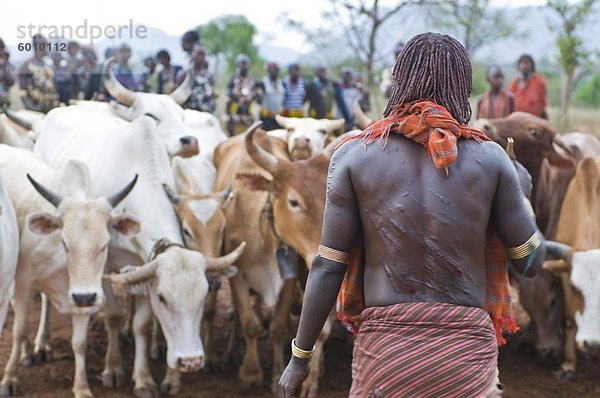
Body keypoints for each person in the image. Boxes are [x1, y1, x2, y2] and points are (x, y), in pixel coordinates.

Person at [278, 32, 545, 398]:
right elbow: (529, 261)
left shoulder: (354, 156)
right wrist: (523, 193)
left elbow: (327, 267)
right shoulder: (491, 159)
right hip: (464, 358)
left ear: (399, 81)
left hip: (387, 355)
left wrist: (300, 357)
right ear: (462, 87)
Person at [18, 34, 58, 112]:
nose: (47, 48)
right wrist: (32, 108)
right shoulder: (26, 66)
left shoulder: (50, 65)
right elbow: (22, 92)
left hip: (52, 109)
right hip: (35, 109)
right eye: (45, 45)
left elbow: (55, 87)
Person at [508, 54, 547, 119]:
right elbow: (509, 101)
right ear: (519, 65)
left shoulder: (540, 82)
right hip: (517, 119)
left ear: (532, 65)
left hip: (534, 119)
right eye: (522, 63)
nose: (524, 66)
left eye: (527, 63)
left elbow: (543, 103)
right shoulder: (514, 83)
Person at [179, 44, 216, 113]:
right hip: (190, 116)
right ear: (192, 54)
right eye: (197, 54)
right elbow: (180, 97)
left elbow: (212, 95)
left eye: (202, 55)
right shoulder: (184, 74)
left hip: (206, 116)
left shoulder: (209, 76)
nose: (200, 58)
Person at [225, 53, 256, 135]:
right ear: (237, 65)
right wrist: (234, 92)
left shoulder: (251, 81)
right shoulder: (233, 79)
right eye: (242, 63)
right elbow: (228, 95)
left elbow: (254, 96)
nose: (244, 66)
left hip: (247, 116)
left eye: (246, 64)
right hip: (234, 115)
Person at [256, 62, 285, 130]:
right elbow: (258, 100)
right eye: (273, 69)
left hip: (278, 118)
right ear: (268, 70)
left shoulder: (281, 83)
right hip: (265, 118)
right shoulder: (262, 82)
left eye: (277, 69)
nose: (275, 71)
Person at [0, 38, 15, 107]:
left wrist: (4, 65)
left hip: (5, 104)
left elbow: (11, 82)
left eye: (2, 49)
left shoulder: (7, 65)